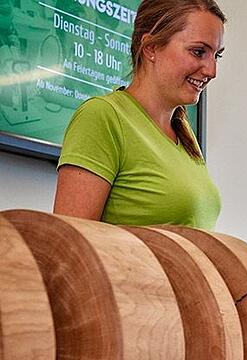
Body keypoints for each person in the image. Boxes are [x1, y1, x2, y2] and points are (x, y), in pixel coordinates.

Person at [53, 0, 226, 230]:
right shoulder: (103, 117)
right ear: (150, 47)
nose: (212, 71)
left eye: (217, 56)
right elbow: (70, 244)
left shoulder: (184, 133)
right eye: (198, 52)